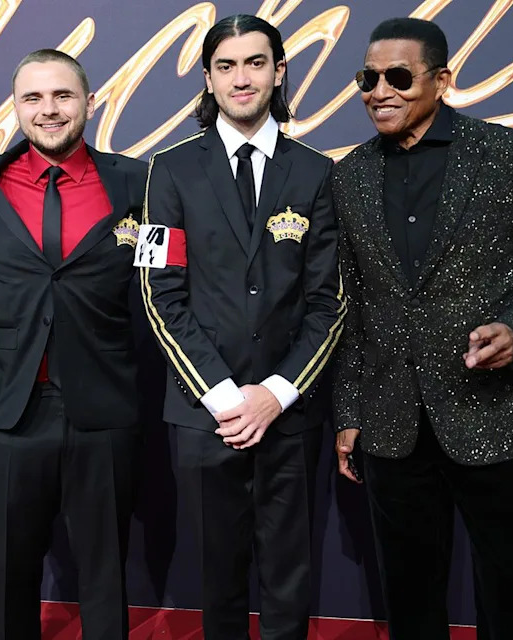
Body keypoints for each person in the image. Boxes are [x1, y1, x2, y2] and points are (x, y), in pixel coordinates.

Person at [332, 17, 513, 640]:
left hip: (495, 409)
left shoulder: (506, 155)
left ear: (441, 80)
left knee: (511, 584)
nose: (379, 91)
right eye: (368, 77)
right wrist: (349, 409)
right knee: (409, 590)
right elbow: (354, 306)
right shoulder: (349, 175)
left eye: (398, 77)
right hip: (393, 418)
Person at [139, 14, 344, 638]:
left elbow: (328, 301)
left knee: (288, 571)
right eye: (225, 66)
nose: (241, 78)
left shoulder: (317, 172)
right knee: (216, 572)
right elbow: (158, 293)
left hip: (290, 411)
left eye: (256, 62)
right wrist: (228, 399)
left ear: (279, 71)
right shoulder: (167, 171)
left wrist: (275, 395)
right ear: (207, 78)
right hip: (207, 414)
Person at [0, 49, 147, 639]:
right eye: (33, 98)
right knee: (12, 575)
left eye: (62, 96)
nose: (49, 110)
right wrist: (9, 323)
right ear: (16, 107)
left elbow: (164, 283)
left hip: (106, 406)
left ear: (90, 102)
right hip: (13, 410)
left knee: (105, 573)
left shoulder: (136, 180)